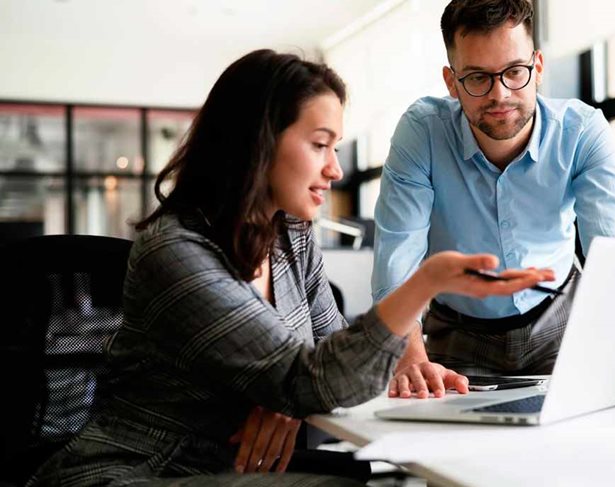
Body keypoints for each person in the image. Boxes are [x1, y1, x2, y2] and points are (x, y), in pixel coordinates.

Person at [27, 49, 552, 487]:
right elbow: (310, 377)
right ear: (258, 144)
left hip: (224, 468)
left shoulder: (290, 239)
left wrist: (395, 371)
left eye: (336, 147)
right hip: (136, 473)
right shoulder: (176, 252)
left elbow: (325, 359)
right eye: (319, 144)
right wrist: (426, 283)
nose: (336, 169)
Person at [371, 0, 615, 401]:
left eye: (514, 72)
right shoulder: (421, 132)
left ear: (538, 67)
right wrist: (410, 356)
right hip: (459, 332)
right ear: (451, 82)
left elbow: (613, 253)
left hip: (560, 323)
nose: (500, 94)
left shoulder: (581, 131)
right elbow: (397, 258)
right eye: (477, 78)